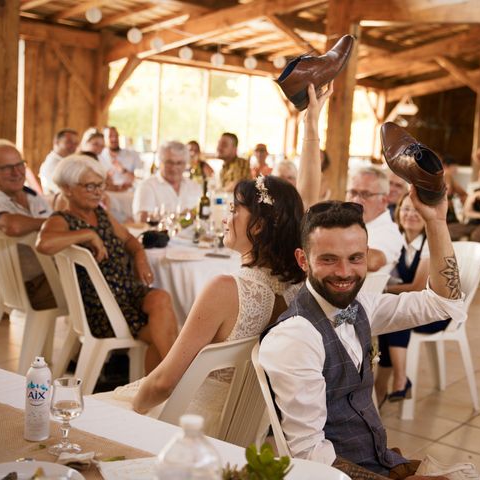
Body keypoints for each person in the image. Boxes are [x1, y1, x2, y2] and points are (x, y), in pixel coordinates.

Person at [115, 83, 332, 433]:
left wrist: (127, 419)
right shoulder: (298, 282)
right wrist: (310, 126)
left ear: (259, 227)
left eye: (233, 210)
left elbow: (163, 384)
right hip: (247, 429)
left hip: (193, 425)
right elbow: (302, 201)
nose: (226, 218)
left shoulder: (224, 289)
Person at [259, 194, 465, 479]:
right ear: (303, 260)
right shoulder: (296, 337)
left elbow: (443, 303)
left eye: (355, 258)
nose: (344, 272)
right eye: (329, 260)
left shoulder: (362, 307)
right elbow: (310, 456)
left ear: (367, 256)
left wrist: (436, 221)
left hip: (382, 463)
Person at [36, 155, 178, 373]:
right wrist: (87, 234)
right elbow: (43, 244)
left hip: (126, 294)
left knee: (161, 299)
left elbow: (130, 239)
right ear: (67, 188)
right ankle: (171, 377)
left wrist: (140, 256)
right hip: (101, 307)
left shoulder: (100, 214)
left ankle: (163, 381)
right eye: (90, 186)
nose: (98, 192)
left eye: (100, 185)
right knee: (166, 334)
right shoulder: (61, 220)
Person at [374, 193, 451, 406]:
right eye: (405, 209)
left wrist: (386, 289)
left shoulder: (429, 243)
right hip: (411, 306)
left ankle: (397, 380)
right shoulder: (394, 238)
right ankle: (382, 388)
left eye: (416, 210)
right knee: (389, 317)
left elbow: (418, 288)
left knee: (399, 313)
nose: (410, 214)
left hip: (434, 311)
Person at [0, 139, 54, 310]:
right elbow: (12, 226)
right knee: (101, 282)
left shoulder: (32, 196)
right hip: (32, 287)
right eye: (6, 168)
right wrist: (53, 223)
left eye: (20, 164)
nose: (17, 172)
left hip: (52, 276)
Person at [346, 167, 404, 275]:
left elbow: (372, 262)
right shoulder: (348, 222)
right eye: (353, 192)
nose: (356, 200)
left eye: (366, 194)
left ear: (384, 200)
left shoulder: (390, 231)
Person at [132, 141, 201, 223]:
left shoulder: (194, 186)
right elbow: (142, 221)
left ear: (185, 164)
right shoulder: (147, 186)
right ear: (160, 162)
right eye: (169, 162)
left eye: (179, 163)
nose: (174, 168)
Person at [39, 129, 79, 194]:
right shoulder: (51, 165)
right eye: (69, 142)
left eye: (76, 143)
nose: (73, 146)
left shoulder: (68, 161)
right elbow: (63, 192)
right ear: (56, 142)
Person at [442, 156, 467, 224]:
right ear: (446, 166)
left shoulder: (446, 176)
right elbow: (463, 193)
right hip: (445, 209)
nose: (456, 170)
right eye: (455, 167)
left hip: (446, 208)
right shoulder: (447, 174)